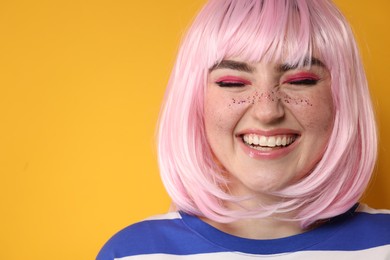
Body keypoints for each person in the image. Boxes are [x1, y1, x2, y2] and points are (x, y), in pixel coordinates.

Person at [97, 0, 390, 259]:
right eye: (232, 83)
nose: (267, 111)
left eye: (300, 80)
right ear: (196, 101)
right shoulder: (132, 253)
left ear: (340, 99)